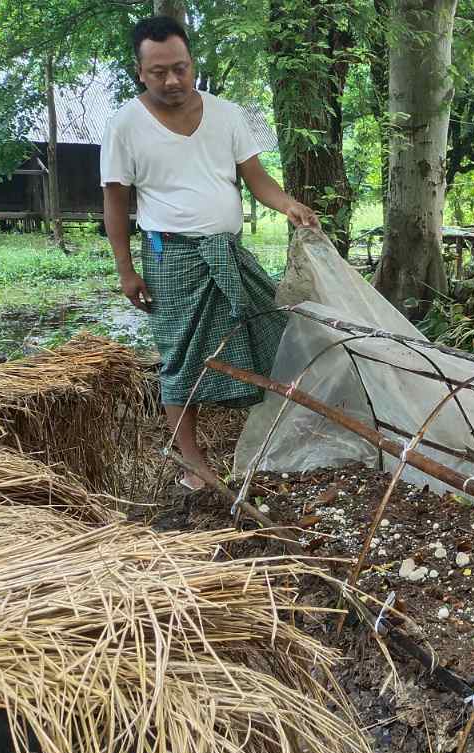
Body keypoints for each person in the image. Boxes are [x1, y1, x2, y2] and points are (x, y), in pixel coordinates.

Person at [100, 16, 318, 491]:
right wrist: (126, 270)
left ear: (192, 63)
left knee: (271, 328)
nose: (172, 80)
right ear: (140, 71)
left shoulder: (226, 115)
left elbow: (256, 179)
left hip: (228, 253)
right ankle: (193, 464)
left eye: (180, 68)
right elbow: (115, 201)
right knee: (180, 358)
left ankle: (266, 442)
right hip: (169, 259)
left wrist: (288, 205)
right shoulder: (124, 125)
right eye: (158, 72)